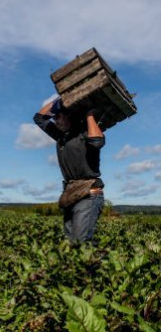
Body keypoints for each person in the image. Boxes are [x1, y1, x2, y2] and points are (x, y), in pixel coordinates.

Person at [33, 96, 105, 243]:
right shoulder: (60, 136)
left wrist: (89, 115)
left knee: (79, 242)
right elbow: (39, 118)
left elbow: (98, 141)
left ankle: (98, 263)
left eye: (59, 117)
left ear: (70, 116)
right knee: (70, 245)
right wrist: (60, 100)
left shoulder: (84, 133)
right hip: (70, 193)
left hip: (88, 194)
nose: (56, 121)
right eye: (55, 119)